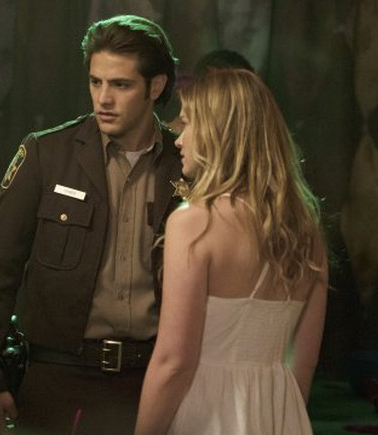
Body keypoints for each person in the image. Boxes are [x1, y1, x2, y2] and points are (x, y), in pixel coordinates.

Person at [0, 14, 181, 435]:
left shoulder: (185, 164)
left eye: (120, 85)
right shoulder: (47, 154)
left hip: (153, 376)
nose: (104, 98)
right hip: (59, 377)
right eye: (96, 82)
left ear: (155, 87)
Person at [134, 68, 328, 434]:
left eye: (188, 123)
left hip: (207, 414)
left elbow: (175, 362)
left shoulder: (194, 223)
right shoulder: (306, 229)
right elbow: (306, 361)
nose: (179, 139)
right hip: (281, 413)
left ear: (218, 133)